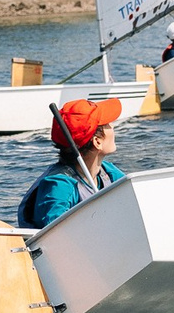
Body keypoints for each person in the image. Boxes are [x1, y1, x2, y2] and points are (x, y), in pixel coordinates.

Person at [16, 98, 128, 230]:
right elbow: (56, 236)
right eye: (107, 124)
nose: (113, 126)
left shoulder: (108, 172)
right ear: (97, 142)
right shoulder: (59, 186)